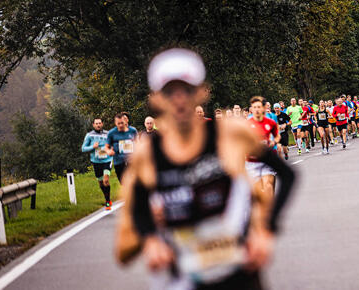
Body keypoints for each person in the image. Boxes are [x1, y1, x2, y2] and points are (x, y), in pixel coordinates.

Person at [116, 48, 295, 289]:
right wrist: (149, 240)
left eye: (187, 90)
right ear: (156, 99)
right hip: (184, 279)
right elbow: (123, 250)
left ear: (202, 92)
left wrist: (266, 230)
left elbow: (287, 174)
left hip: (240, 275)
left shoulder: (230, 134)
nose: (179, 99)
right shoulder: (145, 155)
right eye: (169, 92)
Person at [246, 96, 280, 195]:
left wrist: (274, 142)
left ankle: (271, 206)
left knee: (268, 185)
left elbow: (277, 136)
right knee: (258, 192)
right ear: (251, 109)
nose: (256, 109)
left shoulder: (271, 122)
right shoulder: (247, 124)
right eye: (254, 107)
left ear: (263, 108)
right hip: (252, 161)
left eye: (259, 107)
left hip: (268, 158)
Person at [81, 118, 112, 210]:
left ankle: (107, 201)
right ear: (93, 125)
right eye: (96, 123)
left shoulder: (108, 134)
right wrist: (93, 147)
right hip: (96, 161)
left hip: (107, 160)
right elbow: (83, 148)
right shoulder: (89, 135)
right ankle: (106, 197)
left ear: (102, 124)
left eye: (100, 123)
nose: (98, 125)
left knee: (106, 180)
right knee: (101, 183)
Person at [106, 112, 138, 182]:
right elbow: (107, 147)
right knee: (123, 183)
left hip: (131, 161)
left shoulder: (133, 131)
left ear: (125, 121)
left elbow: (138, 144)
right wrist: (109, 151)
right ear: (115, 123)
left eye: (122, 123)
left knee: (134, 182)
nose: (120, 125)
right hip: (119, 162)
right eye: (118, 123)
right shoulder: (111, 133)